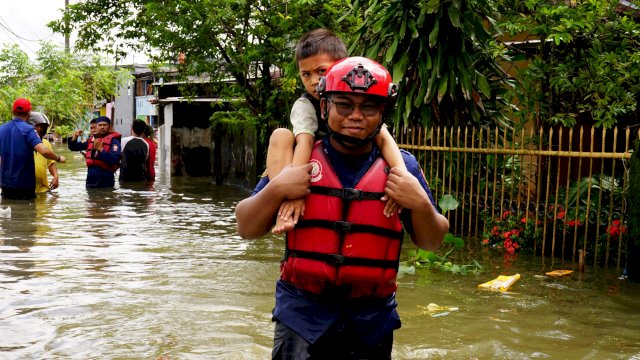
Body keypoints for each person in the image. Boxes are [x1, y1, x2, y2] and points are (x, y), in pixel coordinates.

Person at [235, 57, 450, 359]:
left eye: (369, 107)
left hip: (371, 320)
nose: (356, 116)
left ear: (383, 113)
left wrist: (420, 203)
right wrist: (279, 187)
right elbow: (245, 227)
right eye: (344, 105)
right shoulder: (300, 161)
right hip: (302, 314)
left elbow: (433, 240)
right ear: (324, 108)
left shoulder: (402, 167)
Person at [266, 29, 407, 234]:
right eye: (306, 74)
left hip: (344, 159)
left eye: (321, 71)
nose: (314, 81)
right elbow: (305, 142)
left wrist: (402, 181)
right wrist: (294, 193)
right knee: (280, 135)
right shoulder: (305, 105)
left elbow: (384, 139)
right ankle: (283, 205)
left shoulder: (361, 102)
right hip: (307, 159)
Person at [0, 98, 66, 200]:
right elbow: (43, 151)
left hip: (6, 184)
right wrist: (58, 158)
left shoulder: (2, 129)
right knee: (28, 213)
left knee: (9, 212)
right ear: (29, 113)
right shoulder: (28, 129)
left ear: (13, 112)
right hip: (25, 185)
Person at [67, 116, 121, 188]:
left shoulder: (114, 141)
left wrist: (101, 149)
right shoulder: (91, 140)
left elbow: (113, 160)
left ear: (110, 127)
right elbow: (74, 148)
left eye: (105, 125)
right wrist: (75, 137)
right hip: (91, 177)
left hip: (106, 177)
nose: (102, 127)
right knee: (91, 198)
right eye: (100, 125)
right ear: (97, 127)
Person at [29, 111, 59, 193]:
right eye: (36, 125)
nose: (39, 128)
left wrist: (56, 177)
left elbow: (51, 163)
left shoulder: (46, 143)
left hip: (43, 189)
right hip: (25, 189)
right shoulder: (21, 142)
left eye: (42, 126)